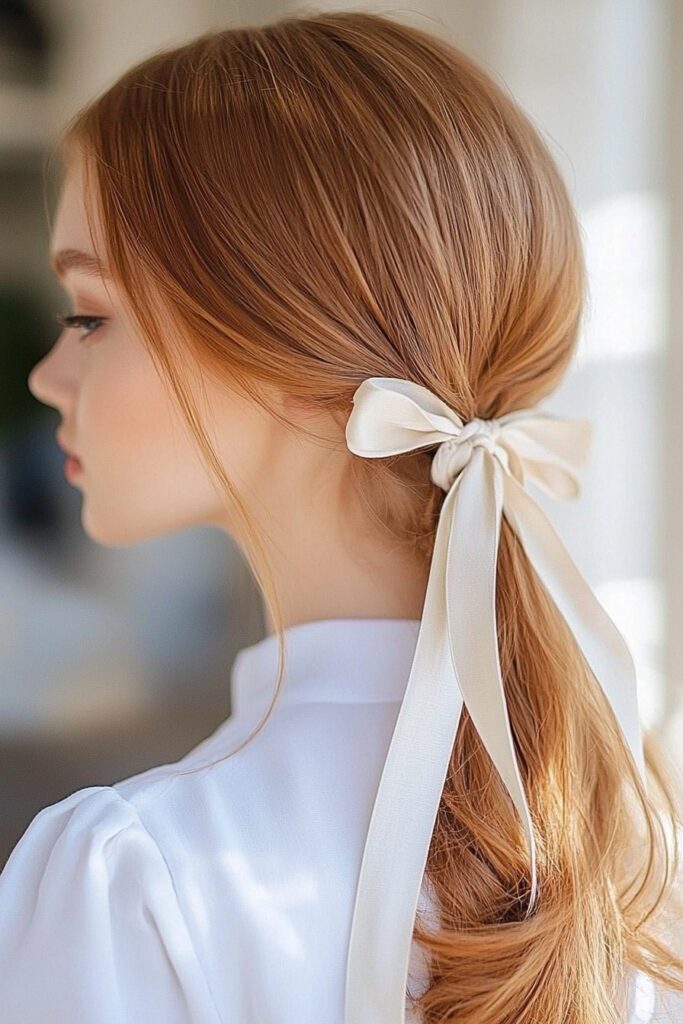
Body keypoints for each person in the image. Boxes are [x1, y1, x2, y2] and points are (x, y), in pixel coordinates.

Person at [1, 9, 682, 1023]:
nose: (48, 374)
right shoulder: (632, 842)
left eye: (91, 315)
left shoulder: (131, 874)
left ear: (289, 360)